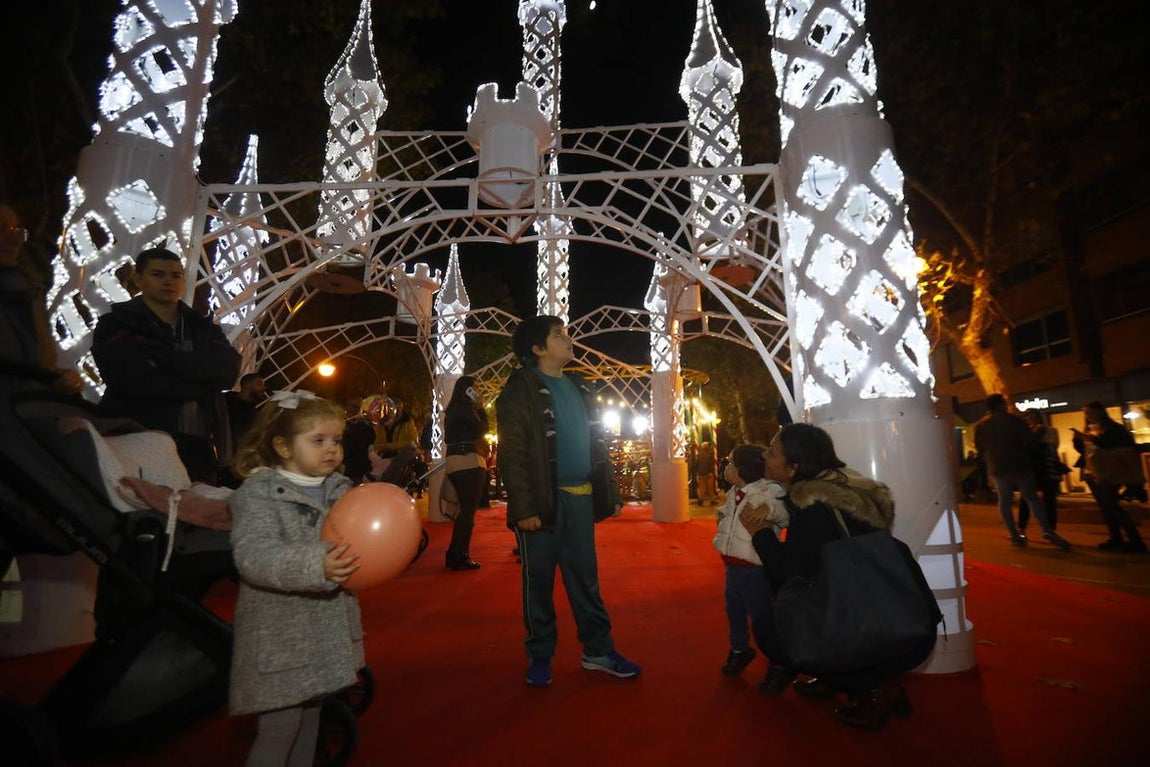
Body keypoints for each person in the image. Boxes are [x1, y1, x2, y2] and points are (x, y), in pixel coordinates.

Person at [741, 423, 936, 731]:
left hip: (866, 626)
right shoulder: (850, 489)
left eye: (773, 452)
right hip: (903, 616)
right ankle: (838, 680)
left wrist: (761, 533)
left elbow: (787, 577)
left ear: (794, 467)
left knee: (771, 628)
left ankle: (872, 690)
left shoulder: (814, 509)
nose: (764, 455)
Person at [496, 315, 640, 687]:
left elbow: (598, 446)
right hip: (543, 504)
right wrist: (524, 507)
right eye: (558, 335)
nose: (568, 338)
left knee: (586, 581)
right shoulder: (520, 390)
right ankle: (540, 655)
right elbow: (512, 453)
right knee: (539, 583)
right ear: (537, 349)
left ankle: (598, 651)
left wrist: (610, 491)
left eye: (566, 332)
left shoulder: (579, 387)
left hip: (580, 498)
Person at [228, 389, 364, 767]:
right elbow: (253, 556)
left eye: (336, 440)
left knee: (310, 721)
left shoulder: (340, 489)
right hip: (281, 637)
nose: (332, 449)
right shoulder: (259, 494)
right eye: (318, 440)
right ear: (283, 447)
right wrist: (316, 565)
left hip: (324, 633)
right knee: (280, 729)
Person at [91, 247, 240, 483]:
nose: (168, 281)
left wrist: (163, 359)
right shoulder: (116, 324)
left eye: (176, 275)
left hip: (197, 446)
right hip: (135, 437)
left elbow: (227, 372)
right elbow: (131, 381)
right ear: (137, 278)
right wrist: (202, 383)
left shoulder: (202, 327)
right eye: (158, 274)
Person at [712, 444, 790, 689]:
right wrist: (721, 515)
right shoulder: (734, 492)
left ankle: (778, 662)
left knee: (761, 617)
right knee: (734, 611)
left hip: (755, 569)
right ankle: (739, 649)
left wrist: (770, 509)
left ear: (743, 469)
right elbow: (727, 510)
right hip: (733, 566)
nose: (727, 468)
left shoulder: (768, 491)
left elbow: (784, 513)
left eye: (731, 464)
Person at [0, 203, 84, 396]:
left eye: (17, 231)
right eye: (1, 230)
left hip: (23, 405)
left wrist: (62, 378)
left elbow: (39, 363)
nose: (14, 240)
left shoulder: (30, 294)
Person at [972, 394, 1069, 549]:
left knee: (1004, 500)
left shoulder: (980, 425)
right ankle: (1046, 529)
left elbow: (979, 447)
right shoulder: (1014, 421)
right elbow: (1030, 442)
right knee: (1031, 498)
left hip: (997, 466)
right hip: (1020, 464)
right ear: (1001, 405)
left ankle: (1014, 534)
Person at [1072, 402, 1147, 553]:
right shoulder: (1089, 428)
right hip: (1091, 470)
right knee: (1105, 506)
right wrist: (1077, 440)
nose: (1089, 416)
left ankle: (1135, 540)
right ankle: (1116, 538)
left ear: (1101, 412)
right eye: (1086, 413)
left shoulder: (1113, 428)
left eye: (1092, 412)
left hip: (1109, 470)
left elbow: (1114, 446)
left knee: (1111, 504)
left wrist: (1091, 438)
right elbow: (1085, 450)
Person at [442, 375, 489, 570]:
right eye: (474, 388)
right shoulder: (467, 409)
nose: (477, 391)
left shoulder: (452, 410)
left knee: (465, 511)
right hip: (468, 461)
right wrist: (480, 408)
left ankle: (455, 553)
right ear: (466, 390)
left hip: (454, 461)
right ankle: (459, 554)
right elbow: (481, 429)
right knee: (468, 512)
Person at [1018, 411, 1065, 534]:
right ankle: (1022, 527)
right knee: (1026, 498)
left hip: (1046, 467)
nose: (1031, 419)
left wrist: (1037, 434)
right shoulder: (1025, 432)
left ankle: (1050, 528)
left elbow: (1052, 447)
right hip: (1031, 468)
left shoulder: (1049, 430)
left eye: (1033, 417)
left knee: (1049, 499)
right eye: (1028, 417)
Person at [341, 397, 378, 485]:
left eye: (356, 407)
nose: (353, 409)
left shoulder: (365, 425)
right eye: (351, 406)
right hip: (345, 467)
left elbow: (371, 442)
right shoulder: (342, 424)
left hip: (360, 468)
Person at [696, 440, 719, 505]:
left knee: (702, 488)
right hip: (708, 474)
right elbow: (711, 464)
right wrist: (711, 472)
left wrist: (698, 472)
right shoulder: (709, 454)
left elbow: (696, 464)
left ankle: (700, 500)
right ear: (707, 447)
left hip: (701, 474)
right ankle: (712, 500)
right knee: (710, 488)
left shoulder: (699, 455)